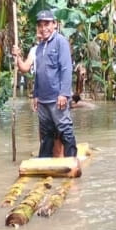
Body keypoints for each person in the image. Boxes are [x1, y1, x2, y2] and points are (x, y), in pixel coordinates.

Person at [23, 9, 77, 158]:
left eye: (47, 24)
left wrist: (64, 94)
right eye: (40, 25)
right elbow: (39, 73)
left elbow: (66, 68)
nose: (43, 28)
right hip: (43, 99)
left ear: (54, 24)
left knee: (64, 129)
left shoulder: (61, 42)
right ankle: (44, 161)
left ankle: (71, 159)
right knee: (46, 133)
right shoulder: (39, 47)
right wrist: (36, 95)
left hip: (57, 97)